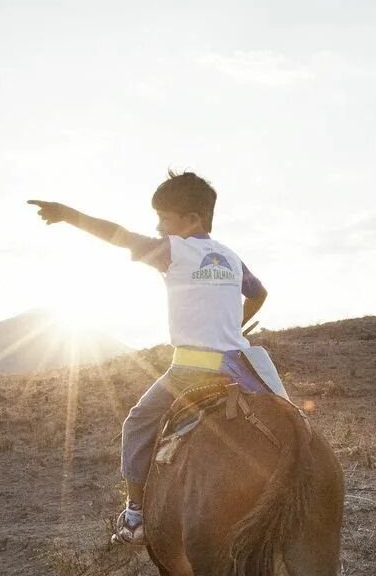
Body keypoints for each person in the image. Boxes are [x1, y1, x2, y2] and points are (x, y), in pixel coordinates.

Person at [28, 172, 269, 543]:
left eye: (164, 219)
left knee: (137, 423)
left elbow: (117, 234)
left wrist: (67, 214)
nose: (157, 227)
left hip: (193, 369)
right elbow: (260, 293)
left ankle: (135, 516)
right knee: (285, 416)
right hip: (241, 365)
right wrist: (233, 326)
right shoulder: (232, 257)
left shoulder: (174, 251)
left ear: (192, 219)